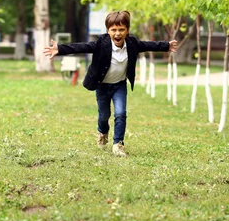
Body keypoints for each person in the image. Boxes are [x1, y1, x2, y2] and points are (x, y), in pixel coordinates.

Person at [43, 11, 178, 157]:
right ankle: (102, 132)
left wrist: (166, 46)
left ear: (127, 30)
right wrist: (60, 49)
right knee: (104, 115)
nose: (117, 33)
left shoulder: (132, 43)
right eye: (113, 30)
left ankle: (118, 144)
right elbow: (82, 47)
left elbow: (148, 45)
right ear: (108, 31)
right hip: (102, 86)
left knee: (120, 113)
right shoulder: (102, 43)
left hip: (119, 85)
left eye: (121, 30)